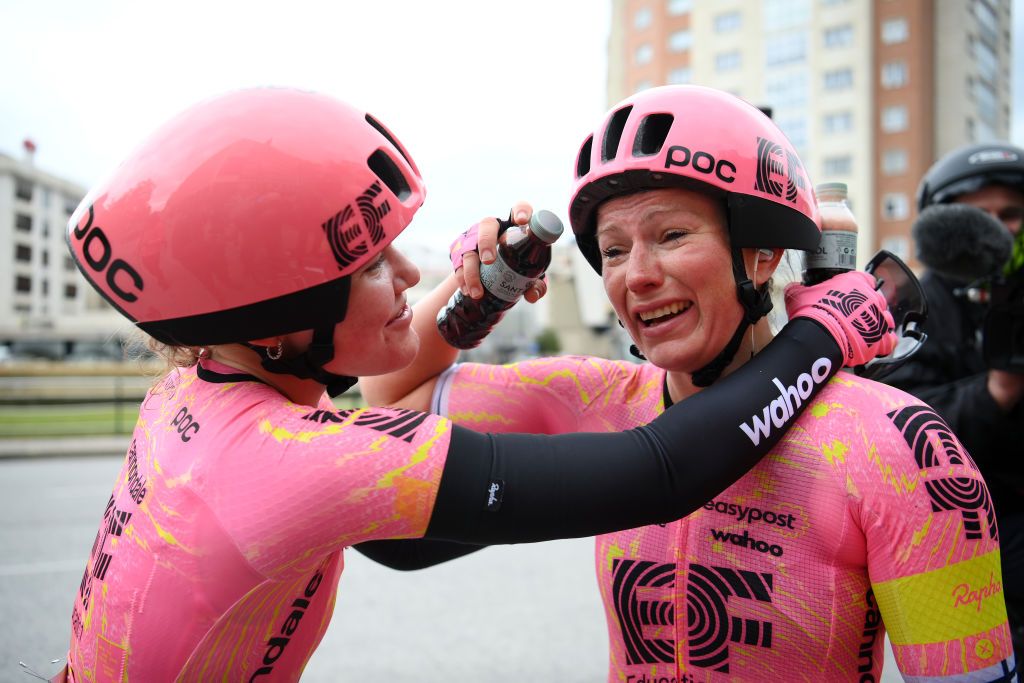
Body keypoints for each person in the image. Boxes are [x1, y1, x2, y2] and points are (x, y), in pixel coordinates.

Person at [54, 87, 894, 682]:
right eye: (371, 262)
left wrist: (478, 295)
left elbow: (387, 505)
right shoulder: (285, 460)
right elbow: (660, 473)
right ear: (280, 320)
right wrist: (829, 330)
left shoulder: (205, 393)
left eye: (672, 234)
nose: (410, 271)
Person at [361, 85, 1017, 681]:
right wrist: (479, 284)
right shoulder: (598, 398)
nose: (636, 275)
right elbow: (390, 398)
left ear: (762, 254)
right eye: (614, 250)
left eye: (671, 234)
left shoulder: (898, 446)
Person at [884, 141, 1024, 662]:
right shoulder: (915, 305)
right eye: (979, 215)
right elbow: (897, 428)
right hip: (960, 530)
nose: (997, 228)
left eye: (1010, 214)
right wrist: (999, 389)